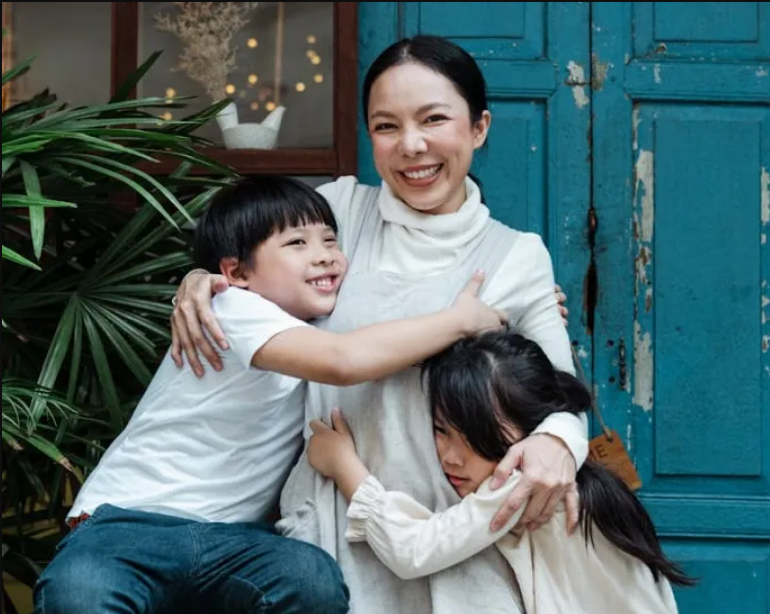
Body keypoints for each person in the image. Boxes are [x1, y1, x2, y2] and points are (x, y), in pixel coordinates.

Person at [171, 35, 587, 613]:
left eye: (434, 119)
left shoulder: (516, 255)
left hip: (452, 544)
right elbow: (250, 263)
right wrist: (201, 281)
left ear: (479, 128)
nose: (411, 146)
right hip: (326, 537)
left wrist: (557, 443)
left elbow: (565, 396)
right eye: (386, 126)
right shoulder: (338, 212)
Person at [33, 175, 509, 614]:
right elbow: (344, 361)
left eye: (330, 240)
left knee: (310, 579)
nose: (324, 255)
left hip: (236, 542)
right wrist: (461, 320)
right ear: (236, 272)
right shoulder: (232, 308)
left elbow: (369, 339)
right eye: (297, 243)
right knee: (80, 593)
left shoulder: (314, 327)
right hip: (130, 526)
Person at [307, 330, 696, 614]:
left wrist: (343, 464)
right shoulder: (587, 485)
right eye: (441, 430)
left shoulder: (519, 484)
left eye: (476, 437)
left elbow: (414, 549)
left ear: (533, 429)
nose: (452, 457)